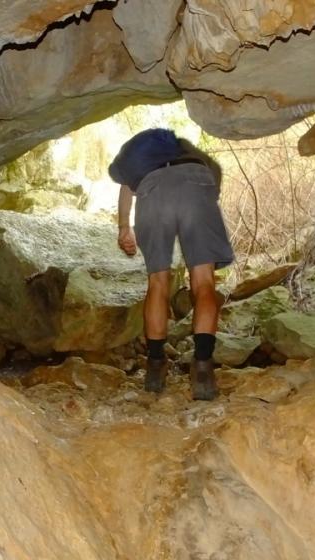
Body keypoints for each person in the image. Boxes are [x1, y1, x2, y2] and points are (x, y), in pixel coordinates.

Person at [108, 128, 234, 400]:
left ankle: (155, 366)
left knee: (158, 281)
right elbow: (212, 192)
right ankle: (202, 368)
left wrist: (123, 228)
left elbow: (127, 187)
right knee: (204, 281)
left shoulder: (142, 162)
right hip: (197, 185)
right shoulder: (199, 159)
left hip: (152, 190)